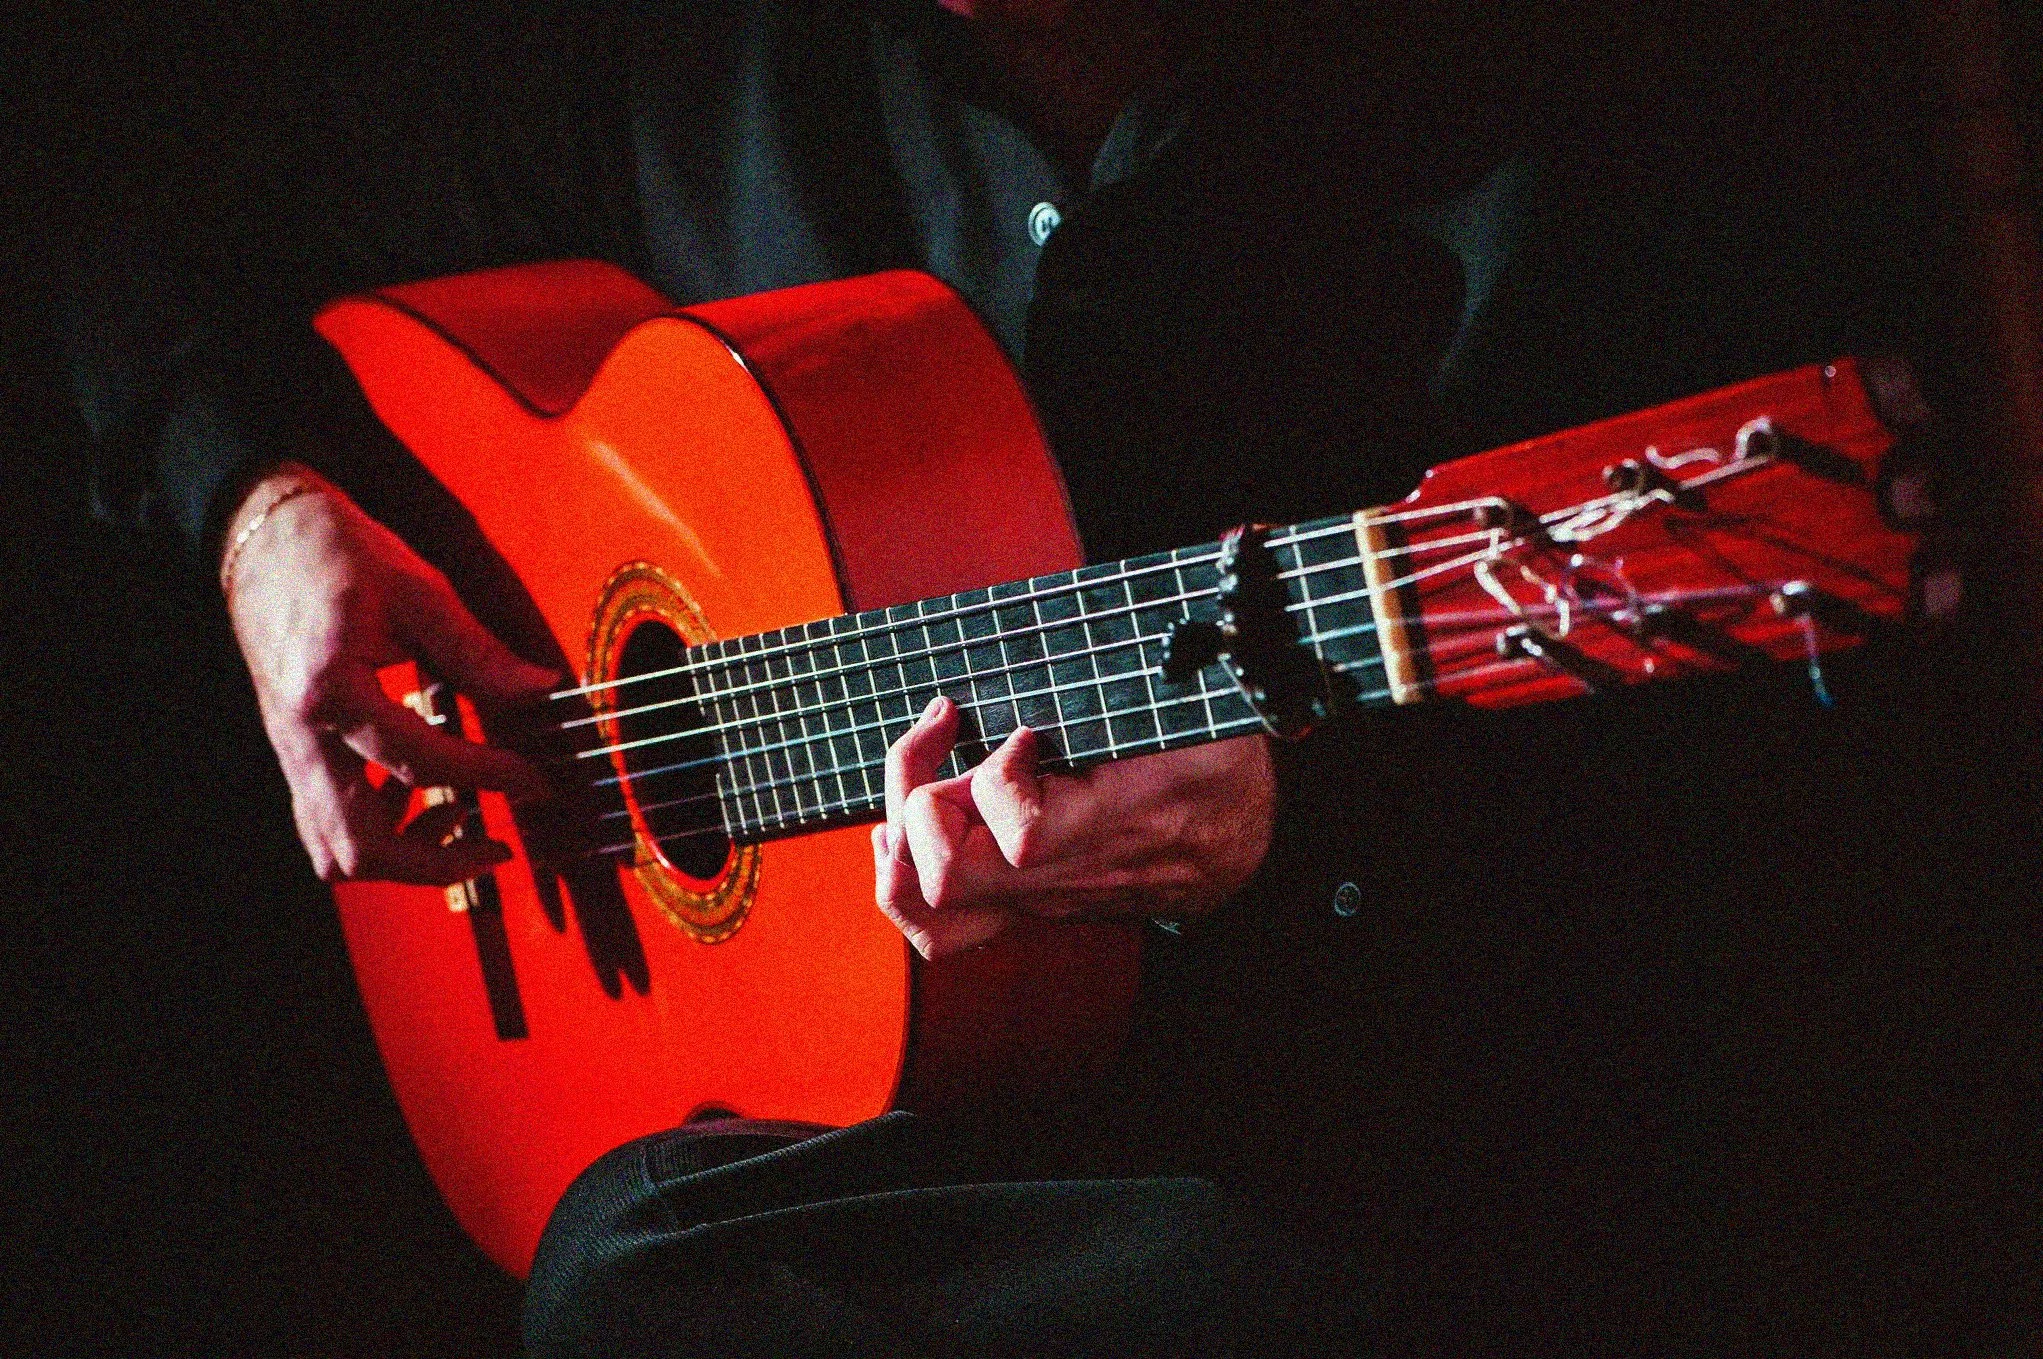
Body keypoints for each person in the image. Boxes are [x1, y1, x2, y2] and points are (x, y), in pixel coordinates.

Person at [68, 0, 1919, 1352]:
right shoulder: (658, 72)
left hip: (1395, 1130)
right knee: (632, 1270)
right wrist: (261, 512)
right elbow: (110, 211)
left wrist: (1296, 818)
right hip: (905, 1156)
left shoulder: (1556, 119)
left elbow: (1785, 848)